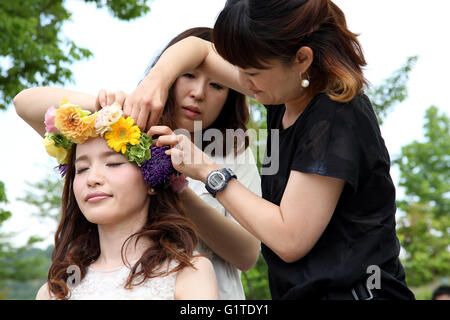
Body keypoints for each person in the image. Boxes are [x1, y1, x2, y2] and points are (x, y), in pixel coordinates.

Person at [123, 0, 415, 300]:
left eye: (252, 72)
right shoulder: (285, 93)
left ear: (302, 59)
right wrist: (154, 82)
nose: (242, 82)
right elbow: (199, 50)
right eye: (238, 68)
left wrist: (207, 171)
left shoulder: (335, 115)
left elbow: (290, 239)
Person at [14, 27, 261, 300]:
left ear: (231, 96)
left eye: (217, 84)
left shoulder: (234, 152)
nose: (198, 93)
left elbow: (247, 254)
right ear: (165, 77)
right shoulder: (120, 133)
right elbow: (25, 103)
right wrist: (105, 108)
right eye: (188, 75)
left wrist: (176, 185)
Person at [13, 100, 218, 299]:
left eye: (113, 163)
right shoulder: (55, 291)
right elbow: (21, 100)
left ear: (152, 178)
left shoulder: (189, 273)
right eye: (82, 169)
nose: (92, 179)